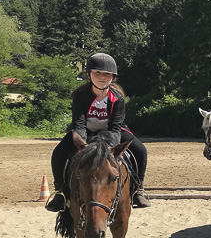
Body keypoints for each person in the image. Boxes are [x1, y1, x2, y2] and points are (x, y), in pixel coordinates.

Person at [45, 53, 151, 211]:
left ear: (112, 77)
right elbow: (79, 123)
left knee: (141, 150)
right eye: (97, 73)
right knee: (59, 152)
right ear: (89, 75)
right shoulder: (80, 96)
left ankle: (138, 191)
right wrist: (82, 144)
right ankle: (60, 192)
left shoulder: (118, 99)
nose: (102, 77)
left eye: (107, 74)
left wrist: (110, 147)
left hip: (112, 131)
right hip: (85, 131)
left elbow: (115, 126)